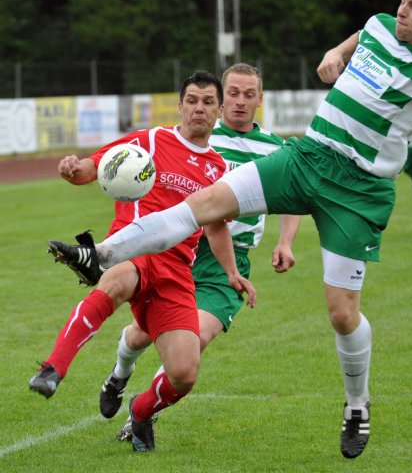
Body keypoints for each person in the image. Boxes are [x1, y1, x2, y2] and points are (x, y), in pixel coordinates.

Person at [46, 0, 412, 459]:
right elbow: (358, 37)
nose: (404, 10)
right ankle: (99, 256)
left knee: (341, 314)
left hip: (358, 190)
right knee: (200, 206)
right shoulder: (380, 25)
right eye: (404, 0)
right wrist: (336, 52)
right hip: (309, 156)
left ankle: (356, 404)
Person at [29, 70, 257, 453]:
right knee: (114, 283)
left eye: (207, 102)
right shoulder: (149, 141)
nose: (199, 109)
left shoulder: (220, 169)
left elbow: (216, 226)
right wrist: (73, 170)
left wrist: (232, 273)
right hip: (132, 250)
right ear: (180, 106)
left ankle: (140, 410)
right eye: (192, 101)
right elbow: (95, 166)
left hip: (176, 271)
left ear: (218, 111)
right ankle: (53, 368)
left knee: (184, 373)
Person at [95, 63, 300, 439]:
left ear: (260, 99)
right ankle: (119, 374)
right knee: (140, 335)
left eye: (248, 94)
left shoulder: (276, 148)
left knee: (197, 338)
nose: (239, 101)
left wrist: (285, 241)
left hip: (229, 259)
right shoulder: (200, 134)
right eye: (232, 93)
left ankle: (143, 412)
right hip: (181, 251)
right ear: (221, 100)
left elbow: (292, 195)